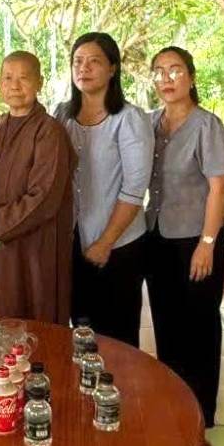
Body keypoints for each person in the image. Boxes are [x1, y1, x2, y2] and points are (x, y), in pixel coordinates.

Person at [142, 46, 224, 427]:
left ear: (191, 77)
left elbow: (219, 187)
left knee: (200, 324)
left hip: (196, 239)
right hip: (156, 236)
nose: (166, 79)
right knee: (166, 320)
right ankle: (175, 402)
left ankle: (202, 411)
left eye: (175, 71)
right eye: (159, 72)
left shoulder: (206, 125)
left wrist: (207, 244)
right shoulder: (149, 124)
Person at [0, 51, 76, 323]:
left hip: (33, 249)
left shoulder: (50, 132)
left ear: (40, 83)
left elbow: (44, 198)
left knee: (33, 319)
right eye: (8, 78)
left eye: (24, 78)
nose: (15, 86)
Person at [53, 32, 152, 347]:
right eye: (78, 61)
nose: (84, 68)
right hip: (73, 240)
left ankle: (120, 396)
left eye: (94, 61)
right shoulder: (62, 115)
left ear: (112, 68)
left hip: (118, 245)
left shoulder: (129, 118)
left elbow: (135, 189)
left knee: (116, 335)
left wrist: (105, 242)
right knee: (79, 328)